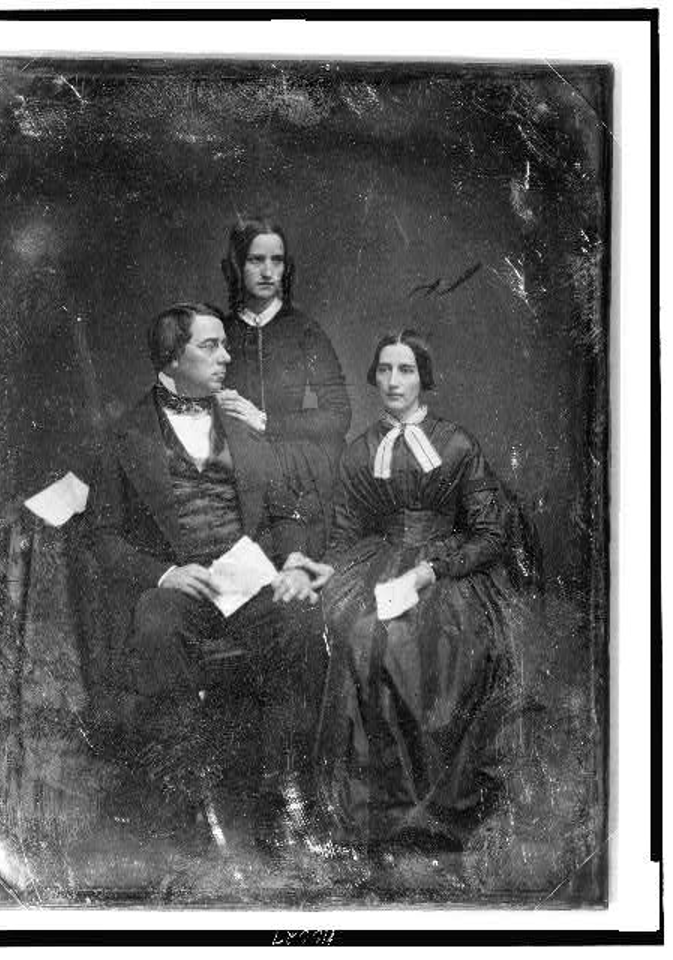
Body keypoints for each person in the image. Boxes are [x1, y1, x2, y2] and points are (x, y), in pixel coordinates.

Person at [86, 302, 326, 852]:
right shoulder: (123, 436)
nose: (226, 356)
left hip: (249, 577)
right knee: (154, 624)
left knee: (302, 620)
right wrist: (165, 572)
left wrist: (291, 562)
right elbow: (101, 538)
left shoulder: (241, 422)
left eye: (226, 344)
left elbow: (288, 510)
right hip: (183, 586)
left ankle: (284, 792)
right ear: (172, 358)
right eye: (210, 346)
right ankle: (186, 797)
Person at [306, 330, 530, 857]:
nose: (393, 381)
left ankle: (438, 807)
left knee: (441, 642)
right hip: (380, 565)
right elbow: (341, 538)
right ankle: (383, 812)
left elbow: (490, 534)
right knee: (365, 637)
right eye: (384, 370)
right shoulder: (360, 452)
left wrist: (433, 568)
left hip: (450, 574)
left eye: (405, 370)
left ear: (422, 377)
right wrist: (329, 574)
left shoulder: (456, 444)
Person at [217, 216, 351, 557]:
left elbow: (339, 415)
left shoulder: (304, 330)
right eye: (255, 260)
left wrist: (265, 422)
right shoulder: (219, 332)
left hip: (295, 468)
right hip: (232, 467)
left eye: (276, 261)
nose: (267, 272)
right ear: (237, 265)